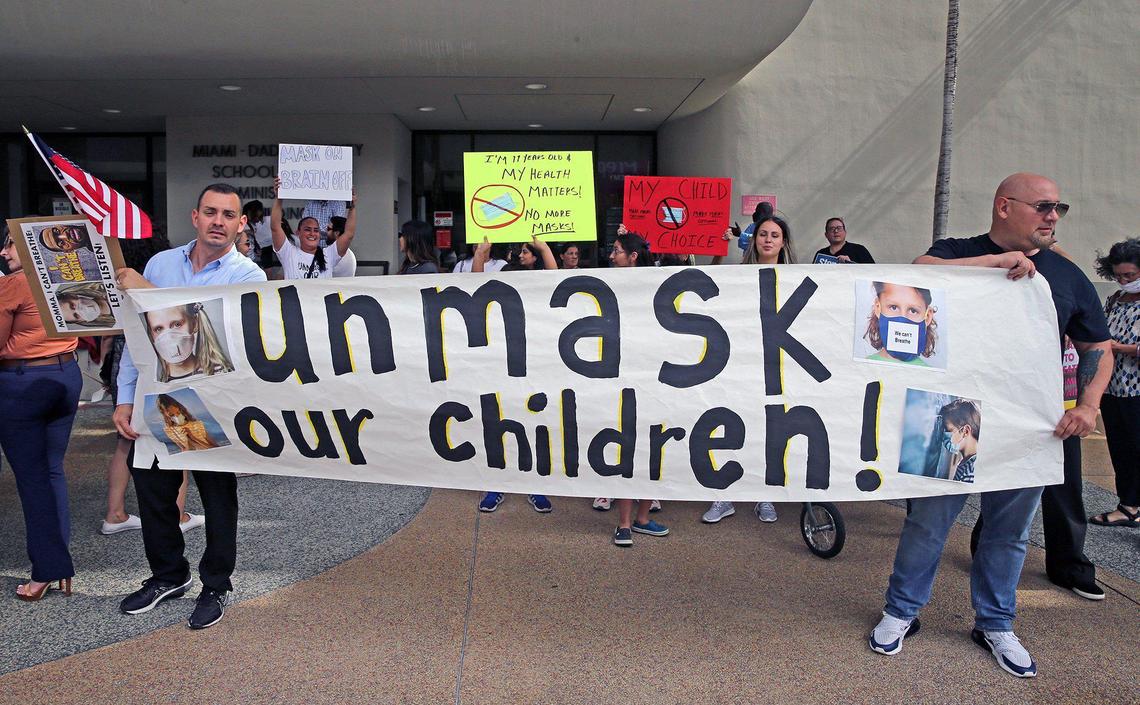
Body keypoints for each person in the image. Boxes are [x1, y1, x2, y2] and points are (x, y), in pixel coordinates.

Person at [870, 173, 1112, 678]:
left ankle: (996, 623)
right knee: (928, 523)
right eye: (1044, 206)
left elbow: (1097, 346)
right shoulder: (959, 251)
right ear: (1005, 206)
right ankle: (901, 612)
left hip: (1029, 421)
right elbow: (919, 273)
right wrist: (994, 264)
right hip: (950, 410)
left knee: (1009, 532)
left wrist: (1088, 405)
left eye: (1059, 208)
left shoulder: (1067, 276)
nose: (1053, 217)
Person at [113, 182, 267, 629]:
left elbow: (215, 341)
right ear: (195, 216)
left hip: (211, 403)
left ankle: (216, 583)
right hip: (158, 398)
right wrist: (125, 397)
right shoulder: (162, 263)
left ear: (241, 225)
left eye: (229, 215)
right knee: (154, 492)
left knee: (217, 496)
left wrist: (149, 294)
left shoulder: (246, 276)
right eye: (211, 212)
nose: (219, 221)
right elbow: (137, 337)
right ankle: (167, 576)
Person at [0, 226, 80, 601]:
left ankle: (47, 569)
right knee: (51, 472)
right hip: (66, 375)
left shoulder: (14, 284)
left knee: (32, 481)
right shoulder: (62, 277)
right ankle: (58, 563)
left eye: (11, 242)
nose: (5, 251)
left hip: (24, 384)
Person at [702, 215, 795, 524]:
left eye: (774, 235)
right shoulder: (739, 275)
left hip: (779, 363)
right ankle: (724, 495)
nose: (768, 239)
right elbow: (709, 287)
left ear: (783, 242)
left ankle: (764, 494)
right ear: (754, 240)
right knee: (733, 424)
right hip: (742, 362)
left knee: (772, 428)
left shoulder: (798, 277)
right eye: (763, 234)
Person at [472, 235, 555, 514]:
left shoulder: (539, 298)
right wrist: (481, 255)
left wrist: (542, 247)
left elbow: (556, 279)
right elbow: (474, 287)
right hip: (501, 371)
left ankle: (536, 487)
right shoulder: (496, 303)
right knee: (498, 427)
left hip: (533, 372)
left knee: (536, 428)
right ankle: (495, 486)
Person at [600, 230, 669, 546]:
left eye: (616, 251)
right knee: (629, 449)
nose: (611, 256)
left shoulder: (654, 285)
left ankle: (642, 518)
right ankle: (624, 523)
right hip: (623, 380)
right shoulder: (608, 285)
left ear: (633, 257)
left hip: (653, 378)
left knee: (652, 448)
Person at [1087, 237, 1140, 528]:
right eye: (1119, 275)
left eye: (1130, 275)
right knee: (1120, 448)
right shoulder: (1115, 299)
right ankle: (1128, 505)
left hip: (1137, 388)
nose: (1123, 280)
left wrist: (1122, 348)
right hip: (1112, 385)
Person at [272, 179, 357, 279]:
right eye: (307, 229)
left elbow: (348, 234)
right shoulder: (288, 253)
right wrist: (279, 198)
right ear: (298, 233)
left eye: (316, 230)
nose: (312, 233)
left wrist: (353, 208)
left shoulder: (329, 255)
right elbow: (275, 227)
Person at [861, 282, 939, 366]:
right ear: (877, 308)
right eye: (893, 307)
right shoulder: (863, 366)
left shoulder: (930, 374)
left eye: (913, 311)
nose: (902, 320)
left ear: (927, 317)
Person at [939, 399, 979, 483]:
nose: (944, 436)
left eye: (948, 430)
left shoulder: (970, 472)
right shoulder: (966, 463)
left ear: (966, 431)